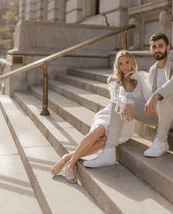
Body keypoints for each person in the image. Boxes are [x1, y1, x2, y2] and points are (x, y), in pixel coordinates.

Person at [83, 32, 173, 167]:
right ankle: (109, 151)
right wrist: (123, 83)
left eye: (161, 46)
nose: (157, 50)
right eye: (154, 47)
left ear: (168, 48)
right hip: (160, 115)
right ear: (150, 50)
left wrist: (157, 95)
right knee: (121, 103)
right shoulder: (153, 70)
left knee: (163, 96)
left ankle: (161, 141)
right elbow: (143, 84)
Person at [50, 50, 151, 183]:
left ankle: (67, 158)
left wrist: (136, 86)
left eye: (127, 62)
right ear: (118, 67)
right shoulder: (116, 81)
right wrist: (125, 98)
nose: (125, 66)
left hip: (125, 122)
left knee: (103, 141)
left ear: (132, 62)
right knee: (98, 131)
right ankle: (71, 165)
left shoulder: (140, 81)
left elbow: (147, 100)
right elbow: (117, 98)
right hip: (109, 114)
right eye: (121, 64)